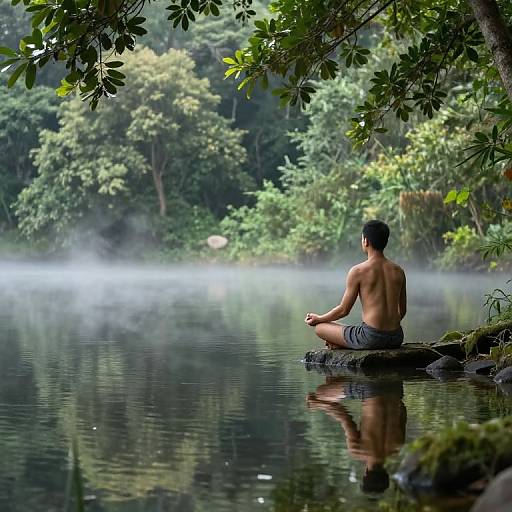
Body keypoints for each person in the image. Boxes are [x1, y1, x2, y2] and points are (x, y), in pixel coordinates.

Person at [305, 220, 406, 350]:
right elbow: (402, 311)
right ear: (385, 242)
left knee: (321, 328)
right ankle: (342, 342)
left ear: (366, 241)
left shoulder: (358, 271)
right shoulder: (398, 271)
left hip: (371, 338)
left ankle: (340, 343)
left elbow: (344, 310)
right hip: (396, 337)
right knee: (345, 328)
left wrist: (319, 319)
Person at [306, 375, 407, 493]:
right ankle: (338, 385)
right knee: (320, 393)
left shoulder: (397, 450)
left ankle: (343, 379)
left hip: (396, 388)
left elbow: (403, 411)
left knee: (332, 381)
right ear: (365, 475)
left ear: (386, 474)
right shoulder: (358, 451)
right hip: (369, 389)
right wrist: (319, 404)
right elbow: (344, 416)